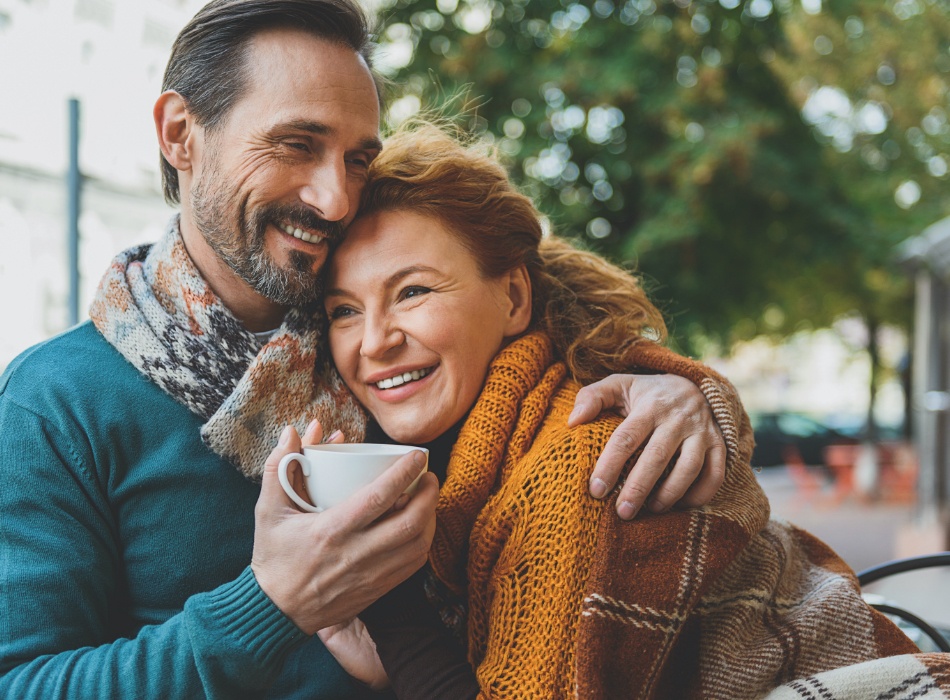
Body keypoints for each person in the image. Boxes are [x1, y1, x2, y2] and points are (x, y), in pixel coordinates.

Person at [0, 1, 741, 698]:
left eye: (358, 159)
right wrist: (270, 604)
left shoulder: (381, 362)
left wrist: (670, 384)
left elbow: (544, 311)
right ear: (179, 135)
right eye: (296, 144)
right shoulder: (57, 401)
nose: (336, 199)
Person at [306, 121, 941, 698]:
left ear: (514, 297)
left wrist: (388, 605)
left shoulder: (578, 461)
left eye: (413, 290)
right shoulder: (477, 450)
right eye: (344, 310)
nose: (373, 341)